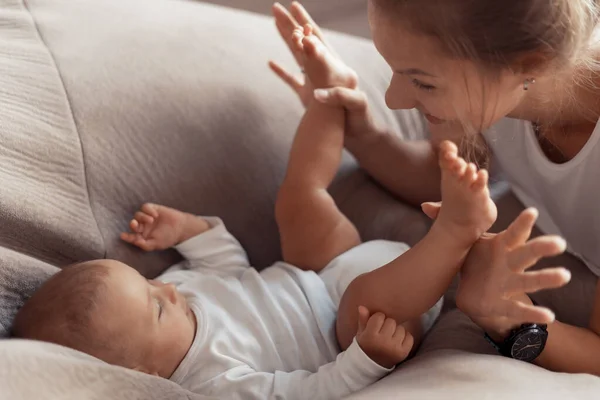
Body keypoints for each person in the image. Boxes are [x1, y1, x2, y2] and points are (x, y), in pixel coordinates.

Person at [10, 24, 551, 399]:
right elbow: (302, 391)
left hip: (317, 273)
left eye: (149, 284)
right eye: (155, 307)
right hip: (356, 325)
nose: (168, 290)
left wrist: (192, 231)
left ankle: (328, 100)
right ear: (142, 372)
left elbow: (227, 265)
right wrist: (368, 358)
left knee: (298, 205)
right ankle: (455, 232)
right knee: (364, 301)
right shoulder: (214, 382)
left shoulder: (181, 298)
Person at [270, 1, 600, 375]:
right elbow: (439, 177)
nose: (394, 101)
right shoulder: (496, 84)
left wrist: (510, 318)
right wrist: (361, 132)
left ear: (531, 64)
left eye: (423, 82)